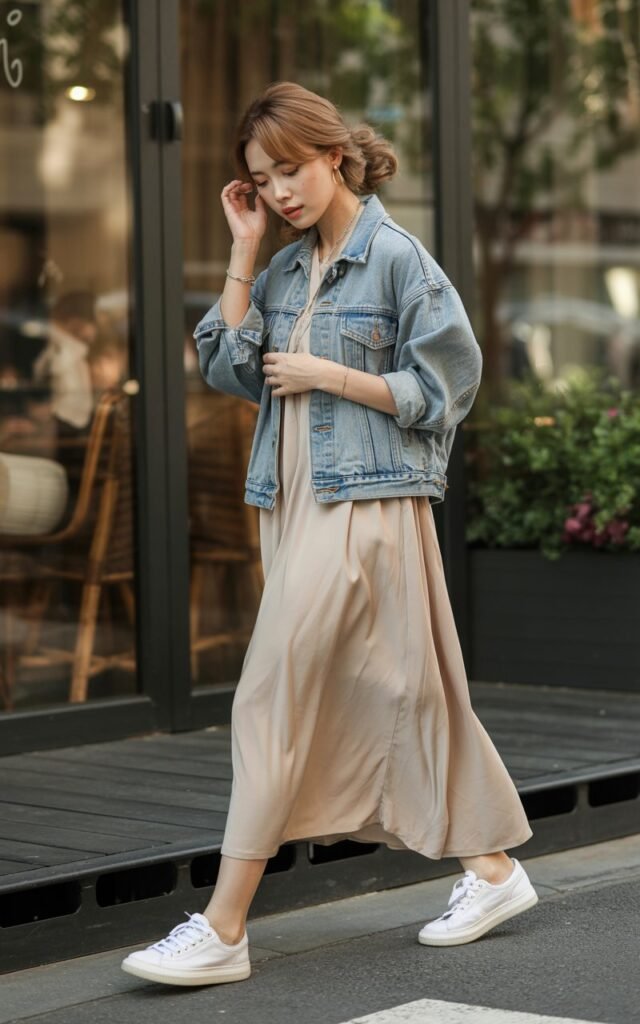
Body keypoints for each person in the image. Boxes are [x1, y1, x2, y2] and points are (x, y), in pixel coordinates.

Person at [122, 81, 538, 988]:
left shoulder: (398, 260)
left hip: (371, 507)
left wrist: (329, 375)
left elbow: (447, 390)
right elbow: (228, 365)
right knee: (405, 688)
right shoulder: (284, 265)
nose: (278, 193)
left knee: (268, 692)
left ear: (336, 156)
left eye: (291, 171)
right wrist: (242, 252)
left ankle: (224, 926)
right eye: (261, 180)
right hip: (295, 506)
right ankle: (494, 869)